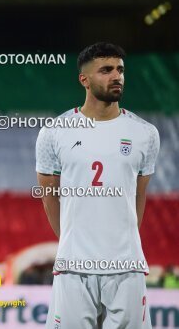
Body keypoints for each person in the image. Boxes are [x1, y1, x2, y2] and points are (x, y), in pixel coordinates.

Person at [36, 42, 159, 329]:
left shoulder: (145, 134)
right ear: (85, 80)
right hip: (74, 267)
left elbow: (139, 195)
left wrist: (120, 244)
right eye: (106, 70)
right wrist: (74, 242)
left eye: (120, 70)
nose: (116, 76)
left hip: (126, 267)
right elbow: (49, 196)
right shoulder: (54, 133)